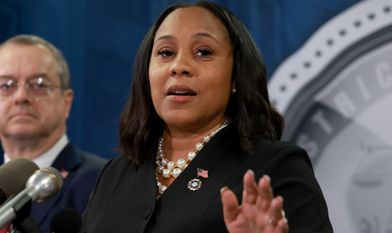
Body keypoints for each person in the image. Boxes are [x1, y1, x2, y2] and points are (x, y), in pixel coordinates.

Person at [82, 1, 333, 233]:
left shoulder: (275, 168)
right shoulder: (115, 174)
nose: (179, 66)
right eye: (166, 53)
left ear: (235, 77)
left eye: (203, 52)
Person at [0, 35, 107, 232]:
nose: (21, 96)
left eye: (39, 84)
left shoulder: (104, 182)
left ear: (66, 102)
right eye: (6, 85)